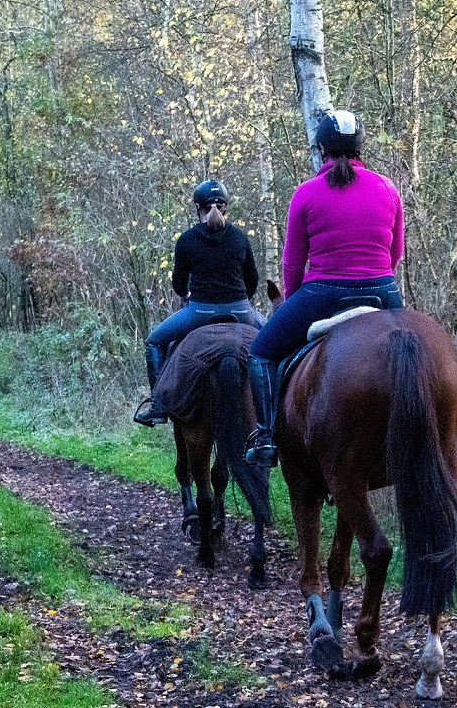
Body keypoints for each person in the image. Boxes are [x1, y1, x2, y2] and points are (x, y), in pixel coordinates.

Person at [244, 109, 405, 466]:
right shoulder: (388, 188)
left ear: (322, 150)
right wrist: (375, 277)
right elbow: (396, 253)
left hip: (322, 292)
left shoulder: (306, 193)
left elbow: (291, 262)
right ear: (361, 149)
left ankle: (267, 437)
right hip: (382, 288)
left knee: (260, 352)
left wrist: (291, 300)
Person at [134, 179, 261, 426]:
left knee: (154, 341)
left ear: (197, 208)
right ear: (225, 207)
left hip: (199, 313)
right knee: (277, 345)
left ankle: (159, 406)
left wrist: (192, 295)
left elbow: (180, 286)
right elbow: (253, 283)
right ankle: (275, 413)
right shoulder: (239, 237)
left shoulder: (187, 240)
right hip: (242, 312)